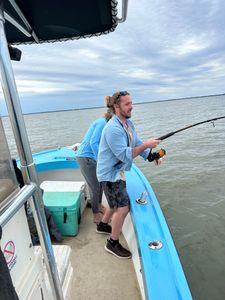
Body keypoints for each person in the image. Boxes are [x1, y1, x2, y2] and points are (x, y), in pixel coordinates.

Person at [97, 91, 161, 259]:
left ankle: (103, 225)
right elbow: (125, 154)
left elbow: (137, 143)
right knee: (122, 207)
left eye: (131, 102)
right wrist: (147, 144)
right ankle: (112, 242)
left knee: (113, 204)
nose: (131, 106)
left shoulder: (128, 124)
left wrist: (150, 155)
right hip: (109, 174)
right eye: (127, 104)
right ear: (116, 107)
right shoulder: (112, 128)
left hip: (117, 170)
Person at [76, 98, 114, 233]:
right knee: (95, 187)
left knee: (101, 184)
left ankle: (98, 205)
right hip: (86, 157)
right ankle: (96, 215)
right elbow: (93, 143)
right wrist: (102, 161)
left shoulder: (106, 124)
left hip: (91, 158)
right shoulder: (102, 123)